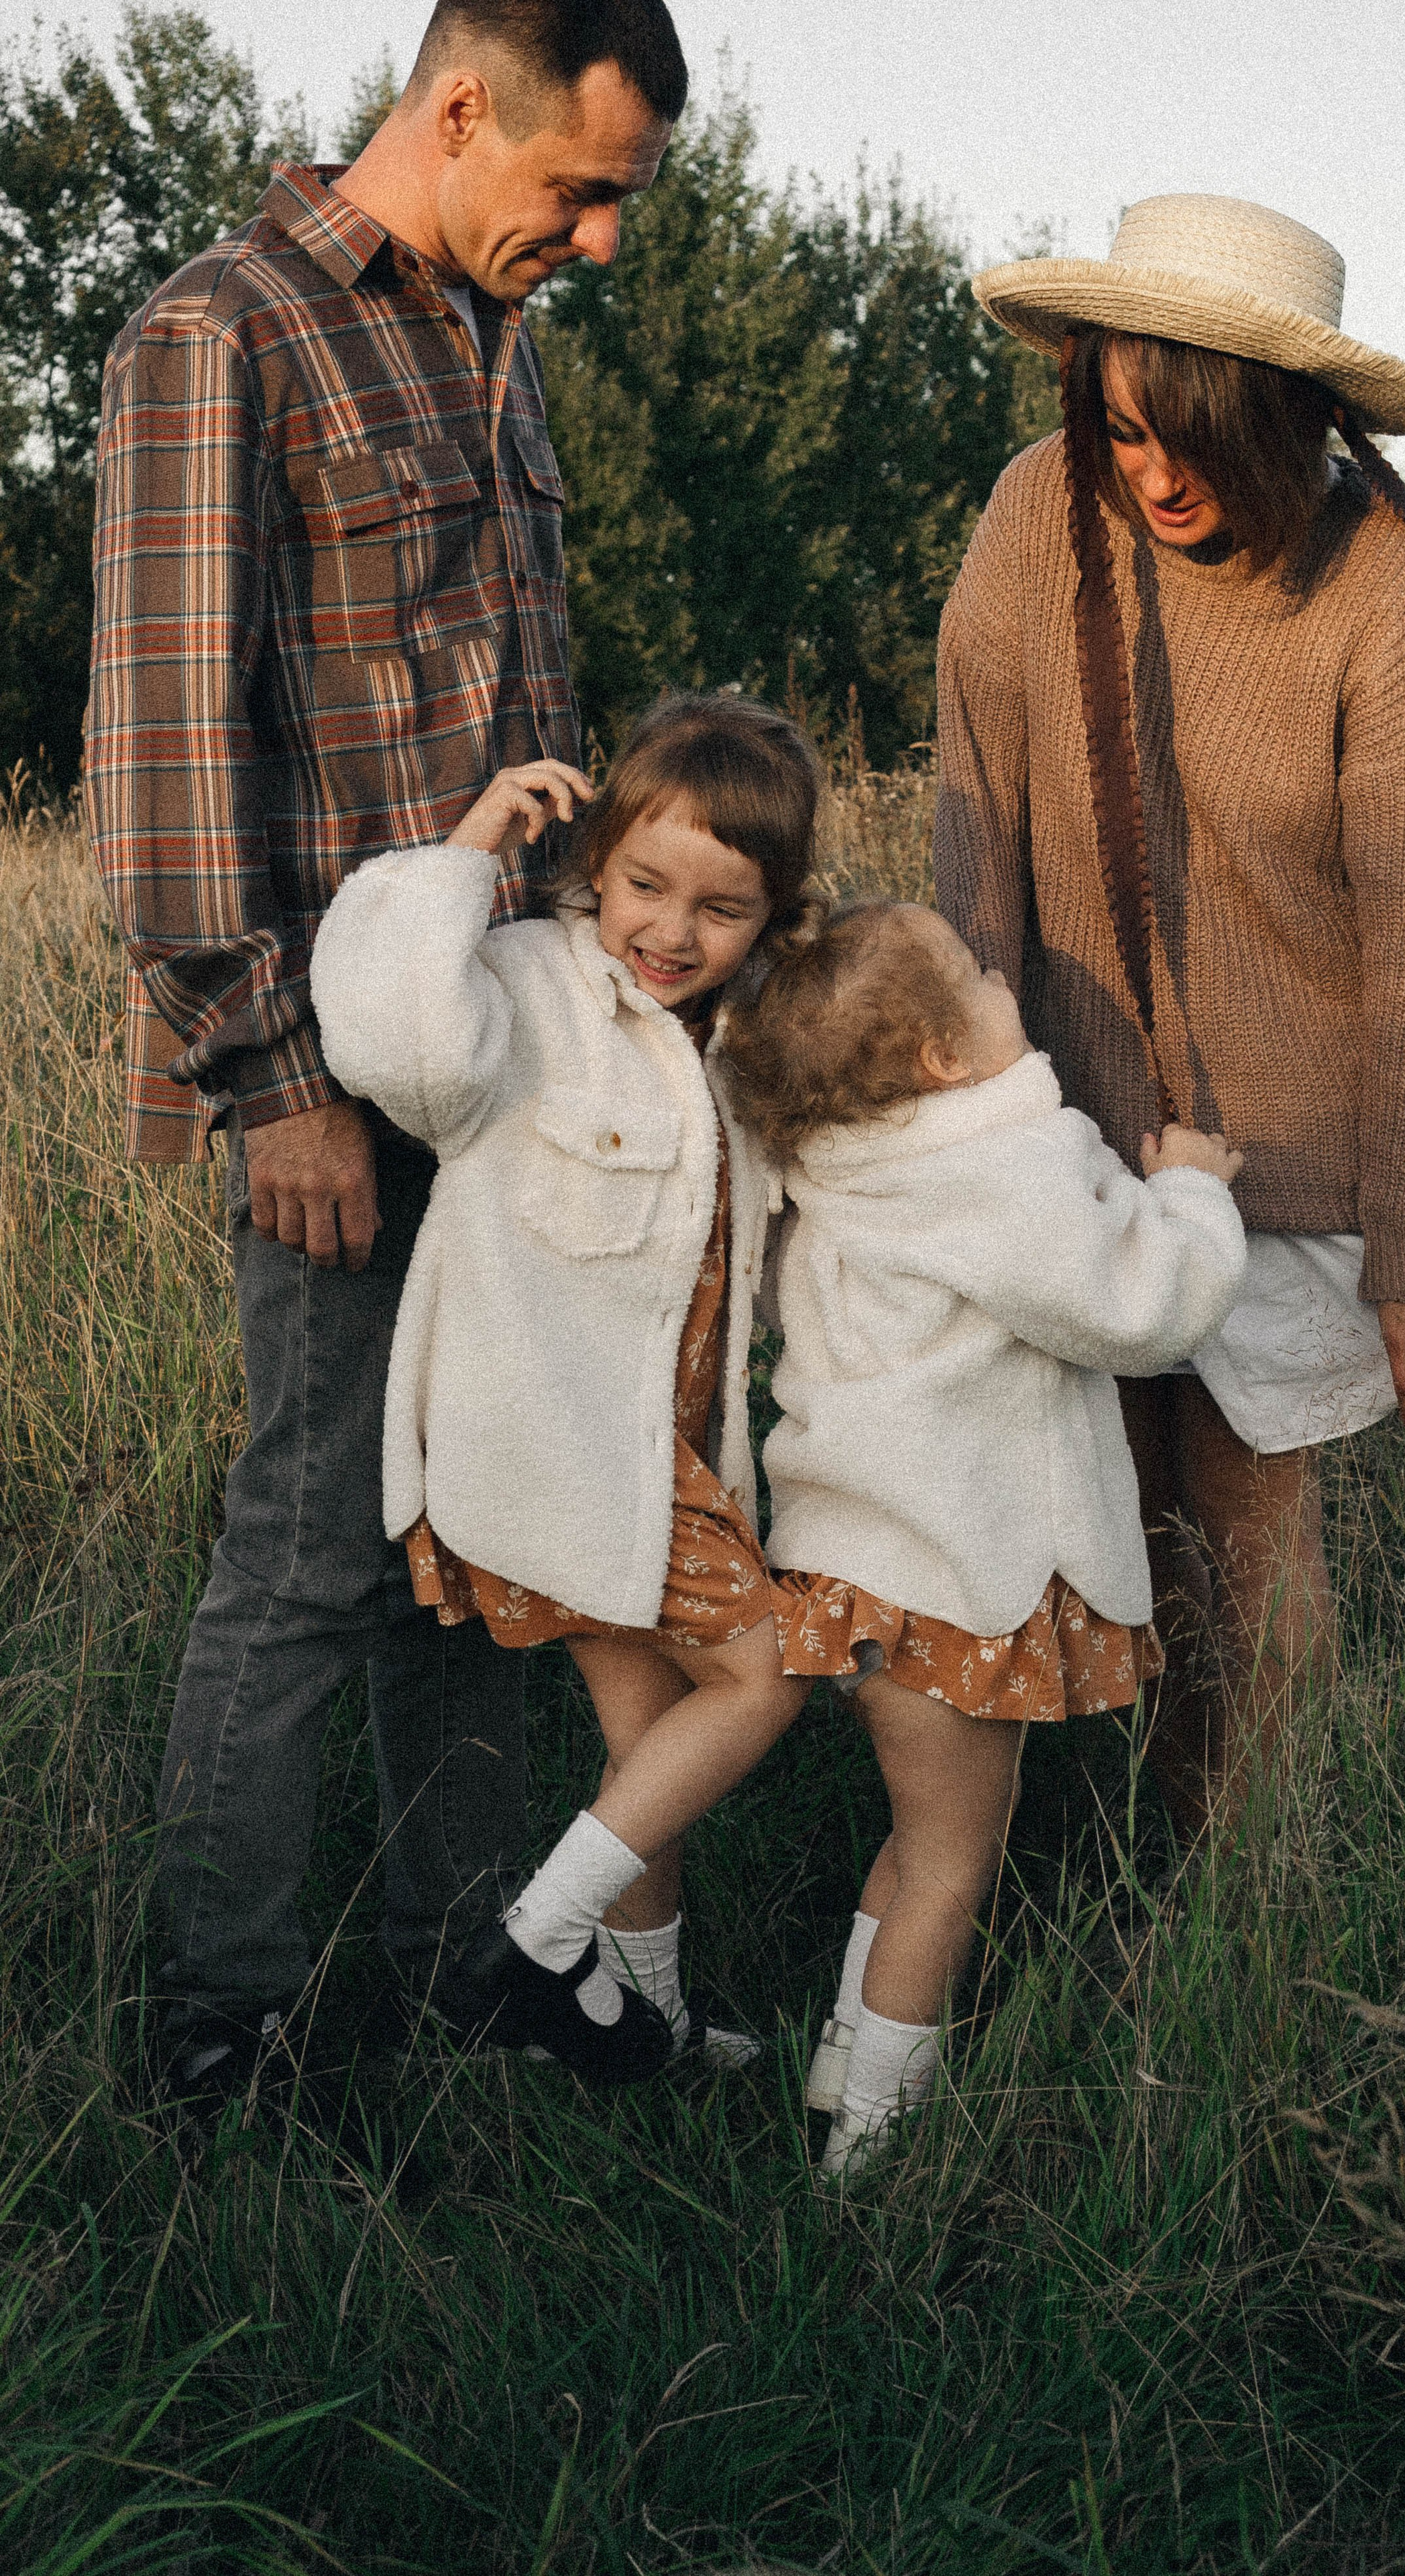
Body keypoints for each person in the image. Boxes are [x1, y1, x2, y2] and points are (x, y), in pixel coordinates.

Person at [84, 0, 688, 2105]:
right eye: (583, 188)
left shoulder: (491, 352)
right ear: (457, 109)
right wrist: (273, 1086)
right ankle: (221, 2038)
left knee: (476, 1552)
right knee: (311, 1559)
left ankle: (472, 1982)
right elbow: (162, 772)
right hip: (333, 1088)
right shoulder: (221, 335)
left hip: (507, 1073)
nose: (603, 242)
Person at [935, 194, 1405, 1849]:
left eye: (1194, 439)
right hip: (1061, 1138)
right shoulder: (1037, 516)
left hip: (1293, 1172)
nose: (1155, 476)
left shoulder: (1399, 607)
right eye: (1120, 428)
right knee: (1090, 1531)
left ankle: (1248, 1921)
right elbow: (975, 830)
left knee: (1243, 1542)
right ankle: (1075, 1882)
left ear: (1298, 422)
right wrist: (964, 1124)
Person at [310, 694, 821, 2080]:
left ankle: (636, 2028)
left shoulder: (738, 1040)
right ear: (594, 862)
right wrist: (469, 851)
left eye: (720, 908)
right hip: (552, 1444)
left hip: (663, 1456)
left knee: (649, 1735)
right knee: (766, 1674)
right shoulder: (533, 983)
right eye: (644, 885)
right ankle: (531, 1949)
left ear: (771, 919)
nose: (669, 931)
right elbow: (395, 1043)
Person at [718, 902, 1247, 2172]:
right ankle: (875, 2155)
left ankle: (845, 2063)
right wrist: (1187, 1189)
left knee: (916, 1841)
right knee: (956, 1867)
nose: (1007, 977)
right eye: (980, 977)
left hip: (857, 1571)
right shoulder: (990, 1168)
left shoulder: (850, 1169)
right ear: (947, 1062)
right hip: (950, 1581)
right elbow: (1134, 1307)